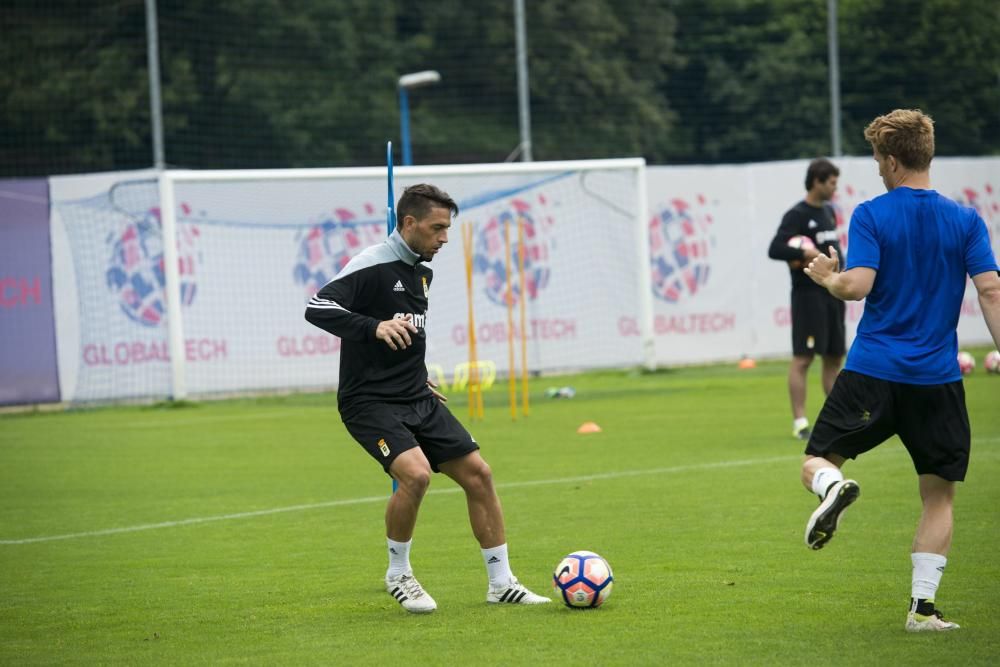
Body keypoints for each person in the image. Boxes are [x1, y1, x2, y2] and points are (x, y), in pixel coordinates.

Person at [304, 183, 550, 613]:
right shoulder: (370, 264)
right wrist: (373, 327)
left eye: (448, 229)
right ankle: (398, 574)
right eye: (437, 228)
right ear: (409, 222)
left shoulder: (422, 271)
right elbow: (317, 306)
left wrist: (418, 375)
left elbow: (410, 333)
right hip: (370, 403)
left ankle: (501, 583)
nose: (445, 238)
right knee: (416, 475)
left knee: (480, 474)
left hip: (416, 395)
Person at [801, 109, 1000, 632]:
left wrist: (827, 277)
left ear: (891, 160)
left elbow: (857, 285)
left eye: (877, 160)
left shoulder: (872, 214)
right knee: (938, 496)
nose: (877, 170)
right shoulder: (966, 220)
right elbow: (991, 291)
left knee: (817, 459)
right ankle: (923, 609)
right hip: (938, 379)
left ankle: (832, 489)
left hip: (874, 371)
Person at [768, 158, 846, 440]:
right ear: (817, 181)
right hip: (808, 296)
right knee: (803, 358)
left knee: (834, 356)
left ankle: (839, 416)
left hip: (833, 292)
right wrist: (804, 254)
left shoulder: (829, 212)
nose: (835, 188)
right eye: (832, 182)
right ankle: (800, 421)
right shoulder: (797, 215)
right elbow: (775, 249)